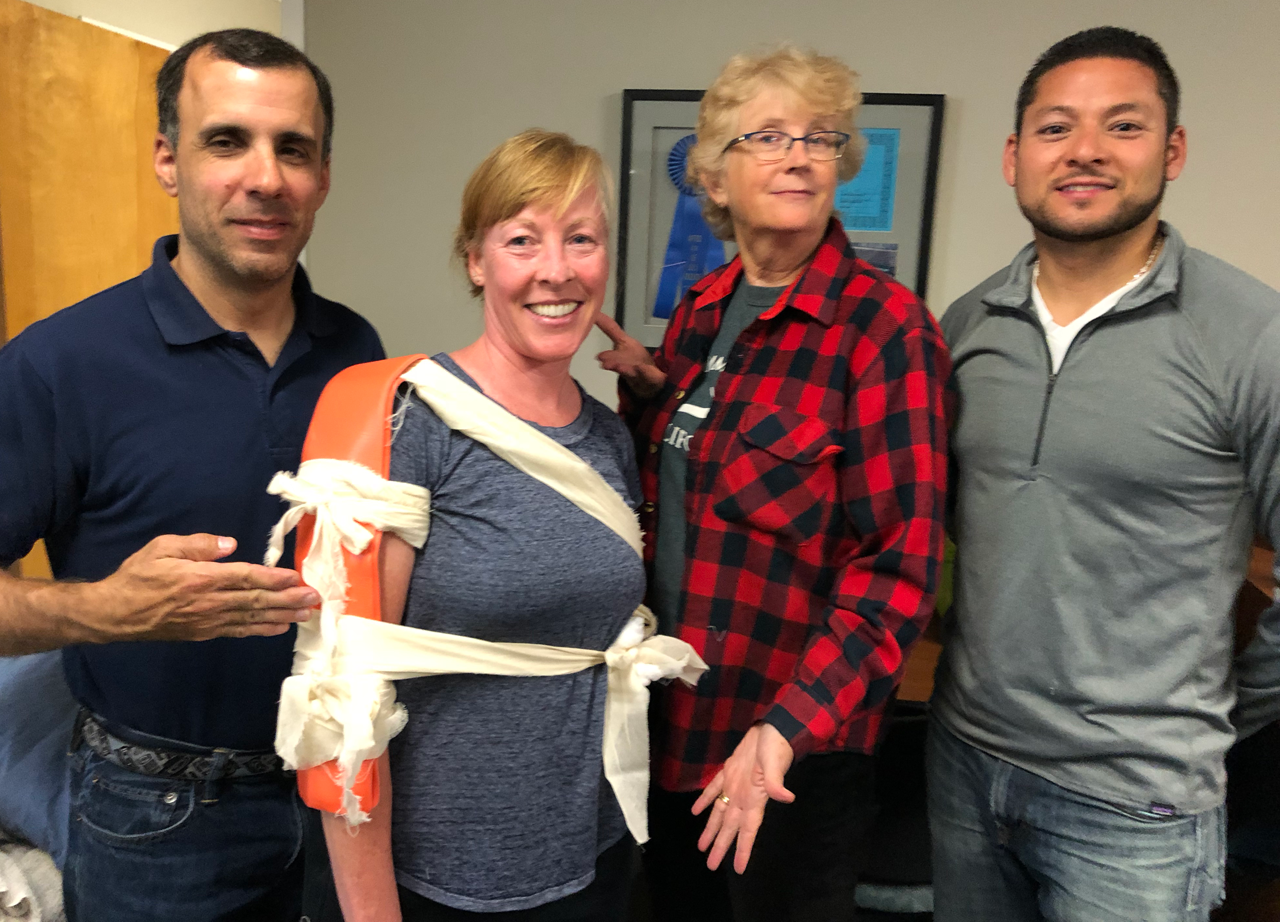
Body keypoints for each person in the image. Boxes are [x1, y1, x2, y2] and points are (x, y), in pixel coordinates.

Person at [0, 28, 384, 921]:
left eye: (294, 148)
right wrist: (107, 610)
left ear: (323, 176)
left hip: (339, 789)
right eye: (227, 141)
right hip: (155, 818)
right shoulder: (60, 364)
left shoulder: (358, 353)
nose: (266, 177)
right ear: (168, 160)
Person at [929, 26, 1280, 922]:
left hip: (1138, 810)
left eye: (1122, 126)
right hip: (965, 766)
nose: (1084, 150)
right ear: (1014, 158)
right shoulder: (965, 326)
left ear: (1173, 150)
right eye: (1055, 129)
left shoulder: (1251, 337)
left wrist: (1209, 720)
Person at [596, 46, 952, 921]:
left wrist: (786, 728)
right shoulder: (701, 309)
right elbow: (691, 499)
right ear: (714, 178)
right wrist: (650, 404)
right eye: (768, 137)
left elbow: (898, 570)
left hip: (788, 751)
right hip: (671, 724)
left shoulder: (885, 329)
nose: (799, 155)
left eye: (821, 139)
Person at [320, 129, 654, 921]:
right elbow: (343, 690)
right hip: (441, 876)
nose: (557, 270)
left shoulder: (609, 439)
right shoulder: (412, 421)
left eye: (582, 239)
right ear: (476, 261)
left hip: (593, 851)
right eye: (522, 240)